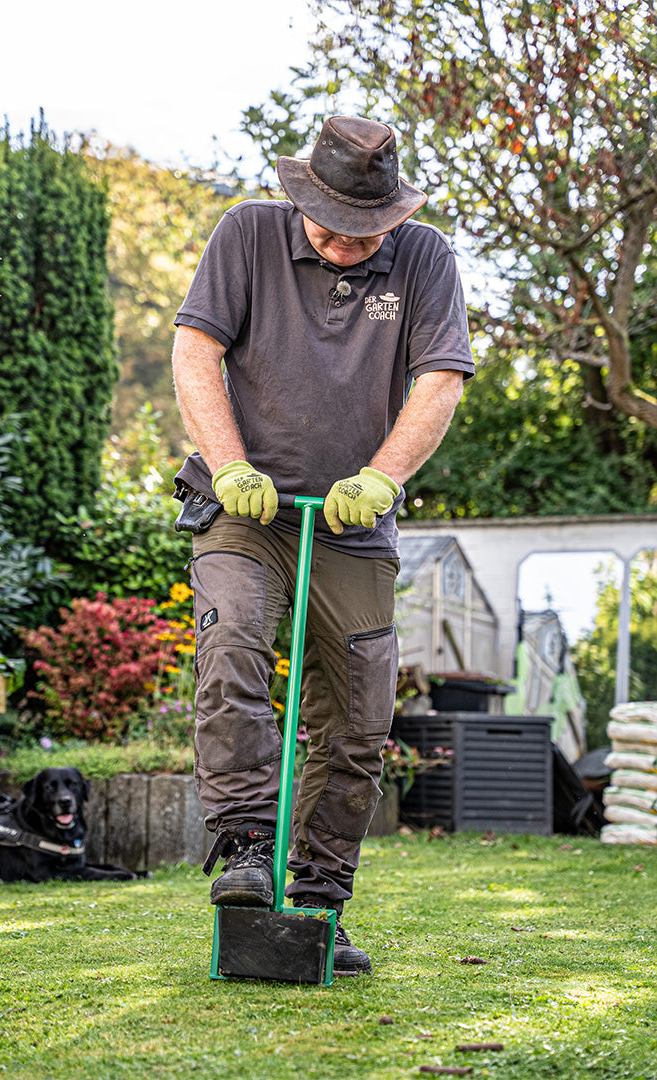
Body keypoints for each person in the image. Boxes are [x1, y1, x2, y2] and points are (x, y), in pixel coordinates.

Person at [171, 115, 475, 975]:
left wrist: (382, 475)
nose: (344, 244)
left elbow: (440, 377)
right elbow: (195, 352)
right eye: (329, 226)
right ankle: (243, 849)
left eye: (363, 231)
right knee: (230, 643)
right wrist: (229, 465)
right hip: (243, 505)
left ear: (392, 217)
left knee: (356, 718)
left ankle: (317, 902)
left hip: (354, 521)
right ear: (301, 197)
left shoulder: (425, 259)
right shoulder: (247, 234)